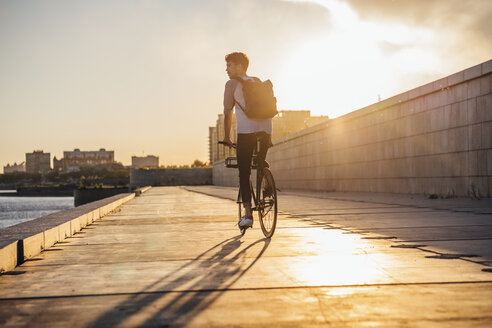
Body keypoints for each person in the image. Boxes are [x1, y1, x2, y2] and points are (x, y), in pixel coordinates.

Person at [222, 52, 272, 230]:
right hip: (266, 131)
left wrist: (227, 137)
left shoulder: (231, 84)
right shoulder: (257, 81)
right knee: (259, 164)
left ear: (240, 67)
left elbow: (228, 113)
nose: (226, 69)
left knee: (244, 172)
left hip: (246, 133)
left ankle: (248, 214)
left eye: (230, 65)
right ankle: (267, 186)